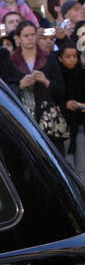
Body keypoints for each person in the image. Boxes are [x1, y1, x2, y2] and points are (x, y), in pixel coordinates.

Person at [11, 20, 68, 155]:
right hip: (23, 118)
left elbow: (61, 90)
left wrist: (46, 81)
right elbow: (4, 89)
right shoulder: (11, 61)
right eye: (26, 36)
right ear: (18, 38)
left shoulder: (49, 59)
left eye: (32, 34)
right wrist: (21, 85)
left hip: (48, 121)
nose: (30, 38)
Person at [57, 42, 85, 181]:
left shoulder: (81, 73)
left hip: (80, 124)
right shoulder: (57, 74)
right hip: (63, 125)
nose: (72, 59)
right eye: (68, 56)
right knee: (68, 166)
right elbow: (55, 96)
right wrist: (65, 104)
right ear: (60, 58)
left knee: (82, 164)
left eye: (74, 56)